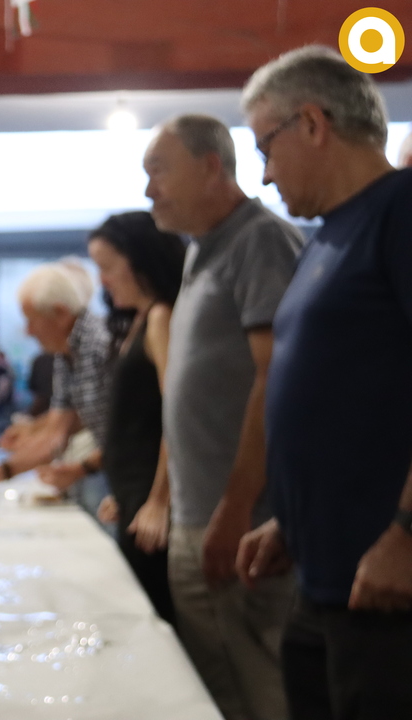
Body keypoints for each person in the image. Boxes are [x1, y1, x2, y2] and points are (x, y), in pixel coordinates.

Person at [236, 45, 412, 719]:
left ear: (312, 123)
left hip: (386, 584)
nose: (265, 174)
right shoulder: (330, 236)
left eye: (266, 148)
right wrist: (292, 521)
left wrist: (408, 533)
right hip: (324, 574)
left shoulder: (400, 210)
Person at [143, 113, 303, 720]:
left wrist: (236, 508)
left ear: (212, 167)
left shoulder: (259, 240)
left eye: (160, 170)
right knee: (216, 690)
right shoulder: (202, 251)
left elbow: (276, 377)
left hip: (240, 521)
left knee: (259, 688)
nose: (149, 190)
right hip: (200, 514)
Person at [0, 261, 111, 522]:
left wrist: (81, 468)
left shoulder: (100, 346)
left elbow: (134, 432)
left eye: (31, 320)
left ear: (60, 313)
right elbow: (55, 434)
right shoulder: (66, 351)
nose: (27, 331)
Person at [86, 211, 185, 626]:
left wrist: (158, 499)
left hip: (150, 501)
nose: (103, 280)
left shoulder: (161, 317)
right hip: (133, 493)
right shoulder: (138, 320)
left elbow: (175, 411)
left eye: (108, 267)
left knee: (152, 623)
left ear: (140, 261)